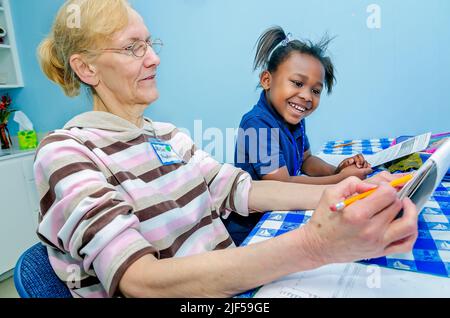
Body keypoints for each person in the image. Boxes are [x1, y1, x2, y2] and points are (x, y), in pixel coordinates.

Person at [34, 0, 418, 298]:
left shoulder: (169, 136)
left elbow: (244, 189)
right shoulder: (67, 152)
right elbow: (140, 281)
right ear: (87, 69)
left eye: (150, 43)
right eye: (132, 47)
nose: (154, 57)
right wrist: (316, 245)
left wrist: (336, 190)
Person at [225, 27, 373, 245]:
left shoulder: (293, 119)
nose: (306, 96)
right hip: (253, 229)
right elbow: (283, 185)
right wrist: (341, 181)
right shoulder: (255, 124)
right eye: (297, 83)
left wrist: (338, 169)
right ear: (267, 80)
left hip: (284, 213)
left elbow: (306, 160)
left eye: (315, 90)